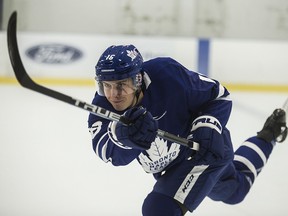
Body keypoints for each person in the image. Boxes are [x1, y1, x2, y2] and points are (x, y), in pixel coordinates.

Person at [88, 44, 287, 216]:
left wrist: (206, 126)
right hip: (171, 167)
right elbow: (109, 153)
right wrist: (124, 135)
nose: (113, 94)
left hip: (205, 149)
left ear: (137, 80)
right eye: (106, 85)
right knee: (236, 191)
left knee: (159, 209)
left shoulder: (166, 75)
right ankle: (268, 134)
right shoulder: (102, 107)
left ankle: (267, 135)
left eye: (121, 85)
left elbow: (219, 95)